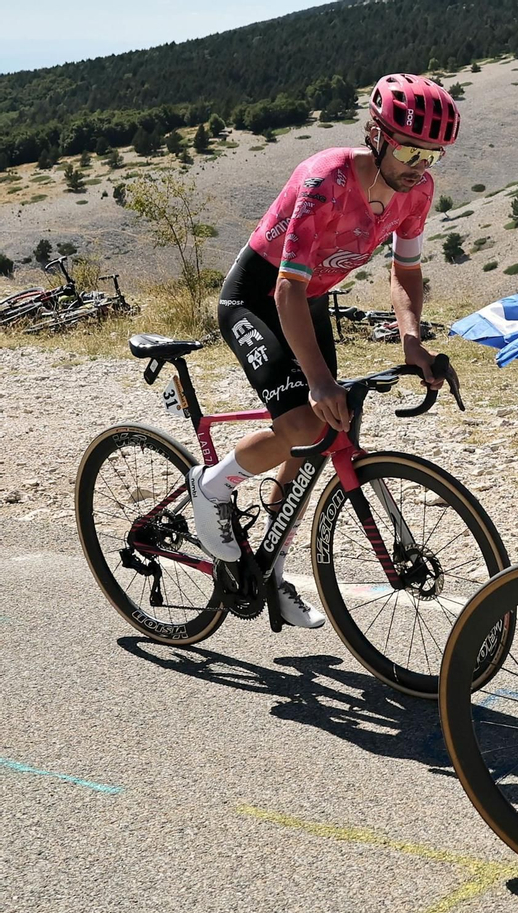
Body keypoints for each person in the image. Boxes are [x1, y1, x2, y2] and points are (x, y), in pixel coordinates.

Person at [187, 73, 461, 627]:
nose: (419, 165)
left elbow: (406, 270)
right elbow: (285, 289)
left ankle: (272, 567)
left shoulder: (418, 192)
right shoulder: (326, 180)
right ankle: (211, 487)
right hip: (258, 298)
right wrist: (316, 381)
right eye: (410, 150)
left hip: (308, 300)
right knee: (304, 422)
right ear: (377, 135)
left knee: (327, 433)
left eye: (432, 155)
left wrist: (411, 340)